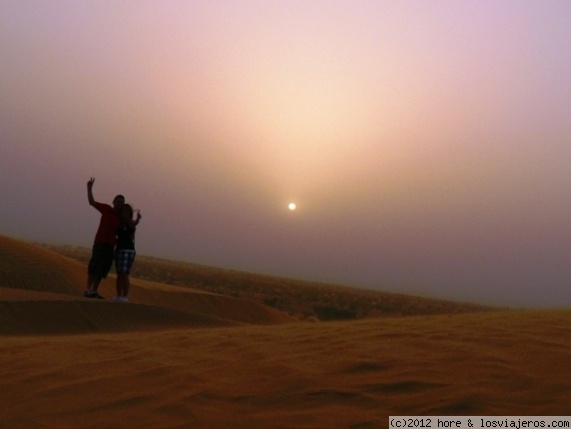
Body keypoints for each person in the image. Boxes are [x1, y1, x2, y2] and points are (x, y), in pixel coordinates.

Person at [85, 177, 125, 299]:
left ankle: (94, 290)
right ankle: (87, 290)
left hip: (110, 245)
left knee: (102, 269)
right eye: (117, 201)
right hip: (100, 242)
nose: (119, 203)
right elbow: (92, 202)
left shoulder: (122, 218)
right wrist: (89, 188)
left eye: (121, 202)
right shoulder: (107, 209)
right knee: (94, 266)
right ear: (113, 202)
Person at [113, 203, 141, 302]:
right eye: (123, 210)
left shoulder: (130, 222)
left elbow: (135, 223)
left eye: (127, 210)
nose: (125, 212)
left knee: (124, 274)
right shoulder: (120, 223)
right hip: (119, 250)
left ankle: (125, 296)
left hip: (128, 250)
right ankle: (118, 295)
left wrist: (138, 219)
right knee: (119, 273)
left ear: (130, 213)